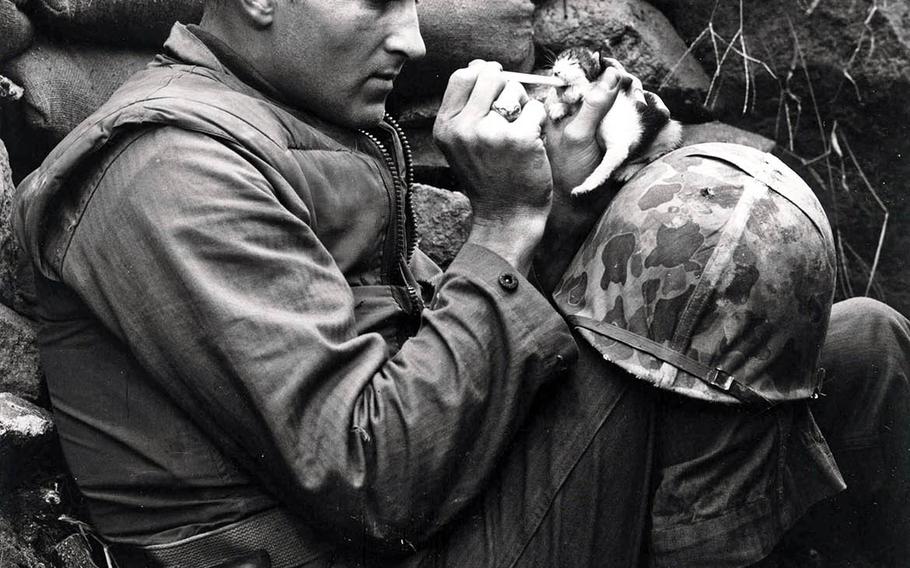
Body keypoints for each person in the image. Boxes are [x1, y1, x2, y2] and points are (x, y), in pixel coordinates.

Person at [10, 1, 908, 567]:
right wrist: (508, 224)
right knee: (706, 254)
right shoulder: (166, 174)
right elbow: (373, 480)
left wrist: (558, 212)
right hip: (372, 540)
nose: (410, 36)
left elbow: (439, 381)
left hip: (445, 508)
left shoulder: (284, 127)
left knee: (863, 348)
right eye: (379, 1)